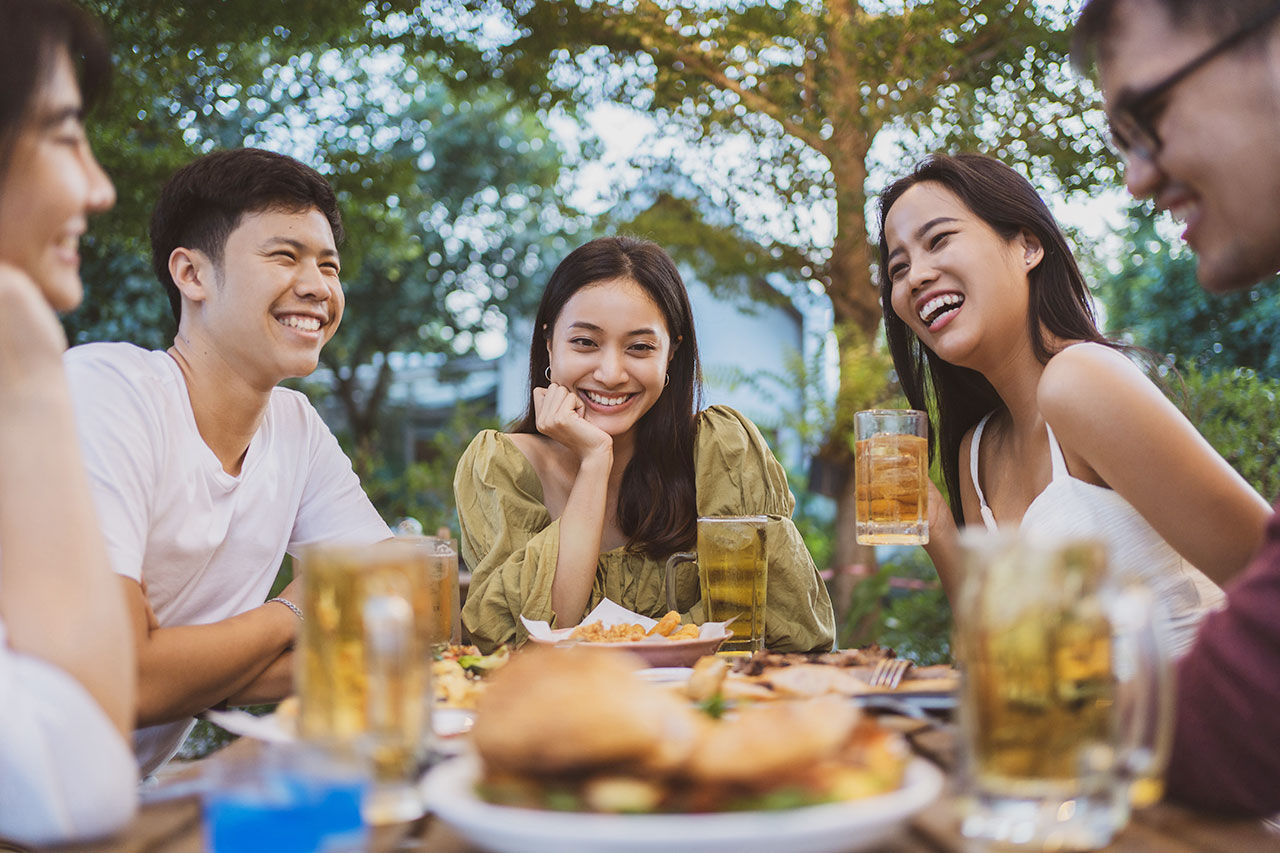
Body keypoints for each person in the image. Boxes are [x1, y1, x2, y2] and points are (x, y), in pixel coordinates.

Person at [64, 148, 391, 776]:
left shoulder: (295, 427)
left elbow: (390, 614)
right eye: (284, 256)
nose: (319, 286)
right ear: (192, 274)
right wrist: (298, 608)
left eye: (329, 264)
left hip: (112, 805)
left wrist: (172, 664)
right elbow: (120, 680)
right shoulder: (108, 391)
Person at [876, 153, 1271, 656]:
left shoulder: (1082, 379)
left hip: (1201, 726)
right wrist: (935, 527)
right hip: (1079, 735)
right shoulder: (976, 453)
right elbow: (1001, 657)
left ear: (1027, 247)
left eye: (939, 240)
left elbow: (1265, 578)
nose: (916, 277)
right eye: (899, 267)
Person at [1075, 0, 1280, 817]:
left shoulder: (1081, 382)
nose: (1137, 177)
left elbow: (1237, 713)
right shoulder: (969, 443)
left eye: (1148, 118)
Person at [454, 236, 835, 653]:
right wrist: (595, 460)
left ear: (671, 353)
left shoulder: (720, 451)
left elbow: (785, 627)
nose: (612, 373)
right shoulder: (502, 467)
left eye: (639, 347)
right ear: (549, 344)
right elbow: (530, 639)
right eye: (585, 342)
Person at [0, 0, 137, 842]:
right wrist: (27, 364)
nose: (99, 186)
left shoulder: (298, 425)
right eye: (61, 133)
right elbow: (75, 786)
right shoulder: (98, 381)